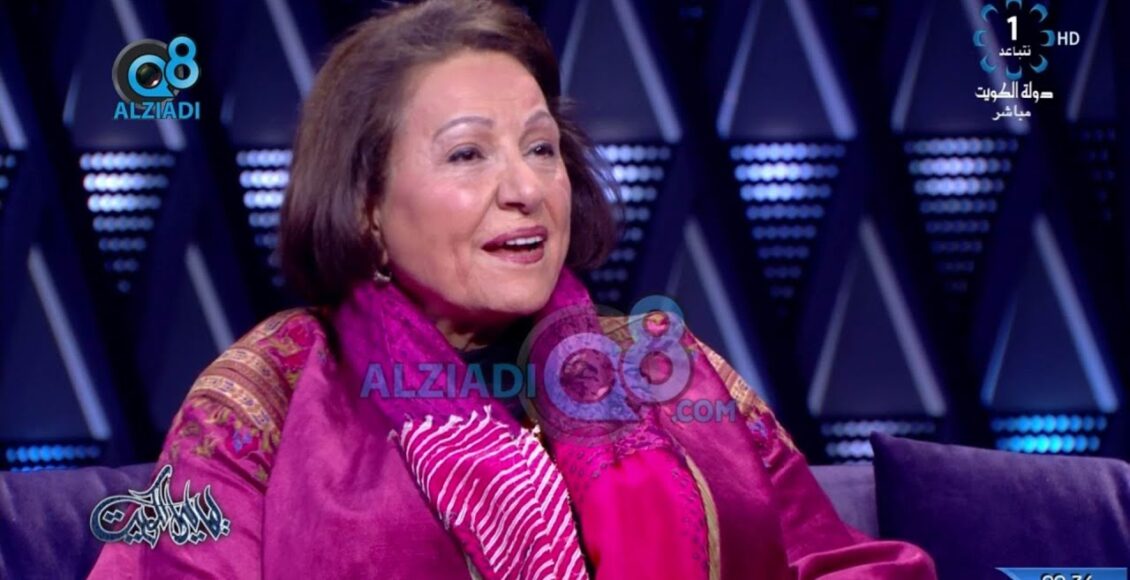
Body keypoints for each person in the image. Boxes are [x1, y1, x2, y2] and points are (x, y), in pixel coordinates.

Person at [88, 0, 936, 577]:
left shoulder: (662, 369)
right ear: (367, 205)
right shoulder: (270, 389)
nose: (525, 187)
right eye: (467, 154)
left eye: (539, 148)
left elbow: (842, 564)